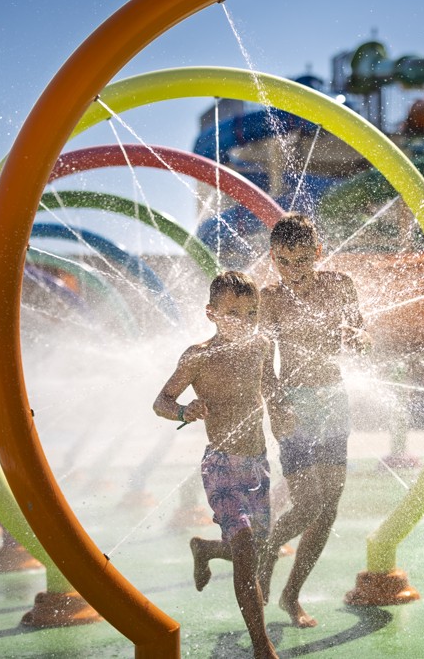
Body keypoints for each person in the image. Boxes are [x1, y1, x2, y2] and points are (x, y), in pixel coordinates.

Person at [153, 270, 289, 659]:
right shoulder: (198, 356)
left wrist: (282, 411)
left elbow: (269, 387)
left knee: (252, 549)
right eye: (233, 312)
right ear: (211, 312)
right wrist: (184, 409)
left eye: (251, 313)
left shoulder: (262, 345)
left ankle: (207, 549)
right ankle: (262, 647)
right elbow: (161, 402)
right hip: (221, 466)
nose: (244, 321)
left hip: (256, 466)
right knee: (247, 554)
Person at [257, 213, 369, 628]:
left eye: (302, 260)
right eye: (284, 262)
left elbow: (360, 332)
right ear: (273, 257)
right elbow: (263, 364)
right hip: (295, 403)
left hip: (333, 399)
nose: (293, 271)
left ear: (318, 253)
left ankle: (291, 595)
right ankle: (267, 552)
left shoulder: (340, 285)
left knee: (329, 507)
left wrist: (360, 338)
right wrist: (275, 409)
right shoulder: (269, 299)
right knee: (308, 504)